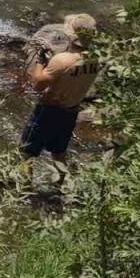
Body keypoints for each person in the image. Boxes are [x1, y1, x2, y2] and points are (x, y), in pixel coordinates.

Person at [20, 13, 101, 186]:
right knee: (58, 152)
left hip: (48, 111)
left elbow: (38, 84)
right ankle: (59, 186)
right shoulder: (95, 59)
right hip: (71, 111)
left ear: (72, 35)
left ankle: (24, 190)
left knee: (26, 153)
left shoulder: (62, 60)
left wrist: (41, 59)